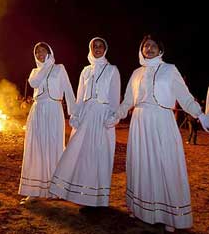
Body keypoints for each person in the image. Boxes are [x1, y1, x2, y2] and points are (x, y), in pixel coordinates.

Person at [109, 34, 209, 232]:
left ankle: (170, 216)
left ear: (160, 50)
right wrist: (116, 116)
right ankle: (141, 210)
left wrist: (200, 115)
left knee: (165, 165)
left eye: (153, 46)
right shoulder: (137, 73)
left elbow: (184, 96)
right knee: (142, 165)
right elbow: (128, 100)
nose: (149, 48)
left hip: (162, 122)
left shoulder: (170, 70)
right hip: (139, 123)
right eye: (146, 45)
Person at [49, 37, 120, 207]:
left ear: (106, 49)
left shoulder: (112, 70)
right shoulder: (86, 71)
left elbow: (115, 96)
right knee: (80, 154)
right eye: (94, 46)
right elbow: (80, 97)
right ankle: (80, 194)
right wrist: (75, 115)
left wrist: (113, 116)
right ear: (90, 49)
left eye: (100, 46)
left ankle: (98, 200)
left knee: (99, 155)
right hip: (86, 115)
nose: (97, 49)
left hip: (103, 116)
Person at [19, 42, 76, 204]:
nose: (40, 54)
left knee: (55, 146)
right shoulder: (34, 72)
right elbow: (34, 84)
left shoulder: (59, 68)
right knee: (36, 148)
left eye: (43, 50)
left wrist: (74, 114)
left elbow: (68, 90)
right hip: (38, 111)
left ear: (50, 52)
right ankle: (33, 191)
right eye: (37, 52)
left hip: (54, 110)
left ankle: (56, 189)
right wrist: (45, 66)